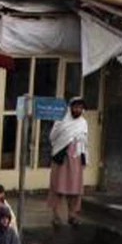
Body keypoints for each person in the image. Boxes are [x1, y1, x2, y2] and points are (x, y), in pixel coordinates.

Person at [47, 97, 89, 227]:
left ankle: (72, 215)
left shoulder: (83, 123)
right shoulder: (61, 121)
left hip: (76, 159)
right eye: (76, 107)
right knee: (58, 188)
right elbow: (52, 137)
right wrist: (63, 144)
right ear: (70, 107)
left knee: (75, 189)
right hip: (62, 158)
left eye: (80, 108)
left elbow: (85, 140)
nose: (78, 110)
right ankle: (56, 216)